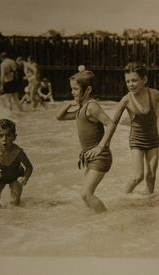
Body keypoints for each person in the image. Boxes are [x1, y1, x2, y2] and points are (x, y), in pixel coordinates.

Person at [110, 62, 159, 195]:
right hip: (136, 141)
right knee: (137, 176)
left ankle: (149, 204)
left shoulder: (154, 94)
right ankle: (123, 198)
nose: (130, 84)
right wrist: (104, 144)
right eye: (127, 81)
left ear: (144, 79)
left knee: (151, 176)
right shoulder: (126, 100)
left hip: (153, 140)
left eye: (134, 80)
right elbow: (113, 123)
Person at [56, 70, 116, 213]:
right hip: (90, 157)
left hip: (100, 156)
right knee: (85, 196)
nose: (72, 92)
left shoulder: (91, 106)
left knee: (86, 194)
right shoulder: (81, 109)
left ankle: (106, 219)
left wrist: (100, 147)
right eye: (72, 89)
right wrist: (70, 104)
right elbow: (60, 117)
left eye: (75, 89)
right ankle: (96, 221)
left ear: (88, 89)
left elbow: (111, 124)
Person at [0, 119, 33, 208]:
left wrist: (25, 178)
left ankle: (12, 218)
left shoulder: (18, 152)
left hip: (15, 177)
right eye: (0, 135)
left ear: (14, 137)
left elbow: (29, 167)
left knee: (14, 201)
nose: (4, 139)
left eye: (8, 135)